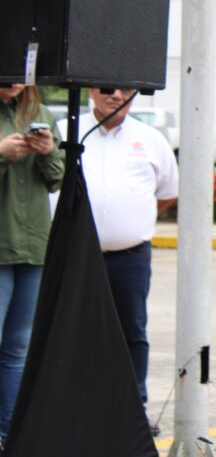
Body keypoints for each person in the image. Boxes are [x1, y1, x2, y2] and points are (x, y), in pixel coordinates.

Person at [58, 88, 178, 434]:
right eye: (108, 89)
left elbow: (167, 193)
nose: (117, 96)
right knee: (73, 329)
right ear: (92, 90)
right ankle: (74, 406)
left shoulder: (150, 139)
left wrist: (130, 222)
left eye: (126, 90)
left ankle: (133, 407)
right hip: (77, 255)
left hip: (130, 256)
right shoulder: (68, 131)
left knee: (132, 330)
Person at [0, 84, 63, 443]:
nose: (13, 80)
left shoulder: (41, 115)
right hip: (1, 245)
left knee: (17, 348)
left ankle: (9, 434)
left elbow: (57, 179)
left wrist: (48, 151)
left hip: (33, 244)